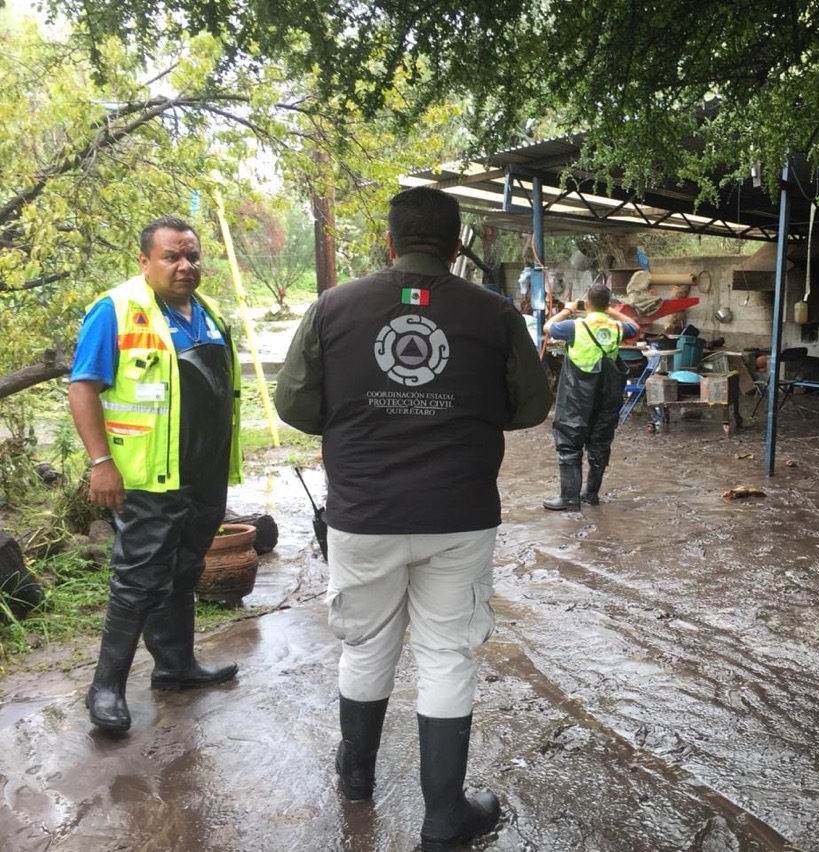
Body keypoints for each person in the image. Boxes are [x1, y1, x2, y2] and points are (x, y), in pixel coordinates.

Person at [274, 187, 552, 851]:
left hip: (363, 513)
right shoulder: (494, 313)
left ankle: (357, 779)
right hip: (458, 514)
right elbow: (532, 406)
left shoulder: (332, 308)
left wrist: (362, 416)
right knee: (447, 654)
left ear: (389, 243)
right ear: (457, 248)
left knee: (366, 645)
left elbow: (295, 406)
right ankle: (443, 817)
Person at [68, 216, 242, 733]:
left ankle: (175, 666)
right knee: (138, 579)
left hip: (202, 473)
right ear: (145, 261)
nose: (185, 266)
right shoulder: (116, 310)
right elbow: (82, 388)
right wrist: (101, 463)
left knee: (185, 568)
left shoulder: (205, 313)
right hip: (146, 474)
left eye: (192, 256)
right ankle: (105, 688)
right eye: (172, 256)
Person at [542, 284, 639, 510]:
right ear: (608, 305)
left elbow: (548, 327)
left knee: (569, 441)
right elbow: (634, 326)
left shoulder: (574, 326)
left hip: (577, 396)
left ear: (586, 304)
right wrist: (611, 311)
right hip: (607, 395)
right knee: (600, 442)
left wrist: (568, 309)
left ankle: (569, 498)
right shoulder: (616, 327)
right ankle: (590, 495)